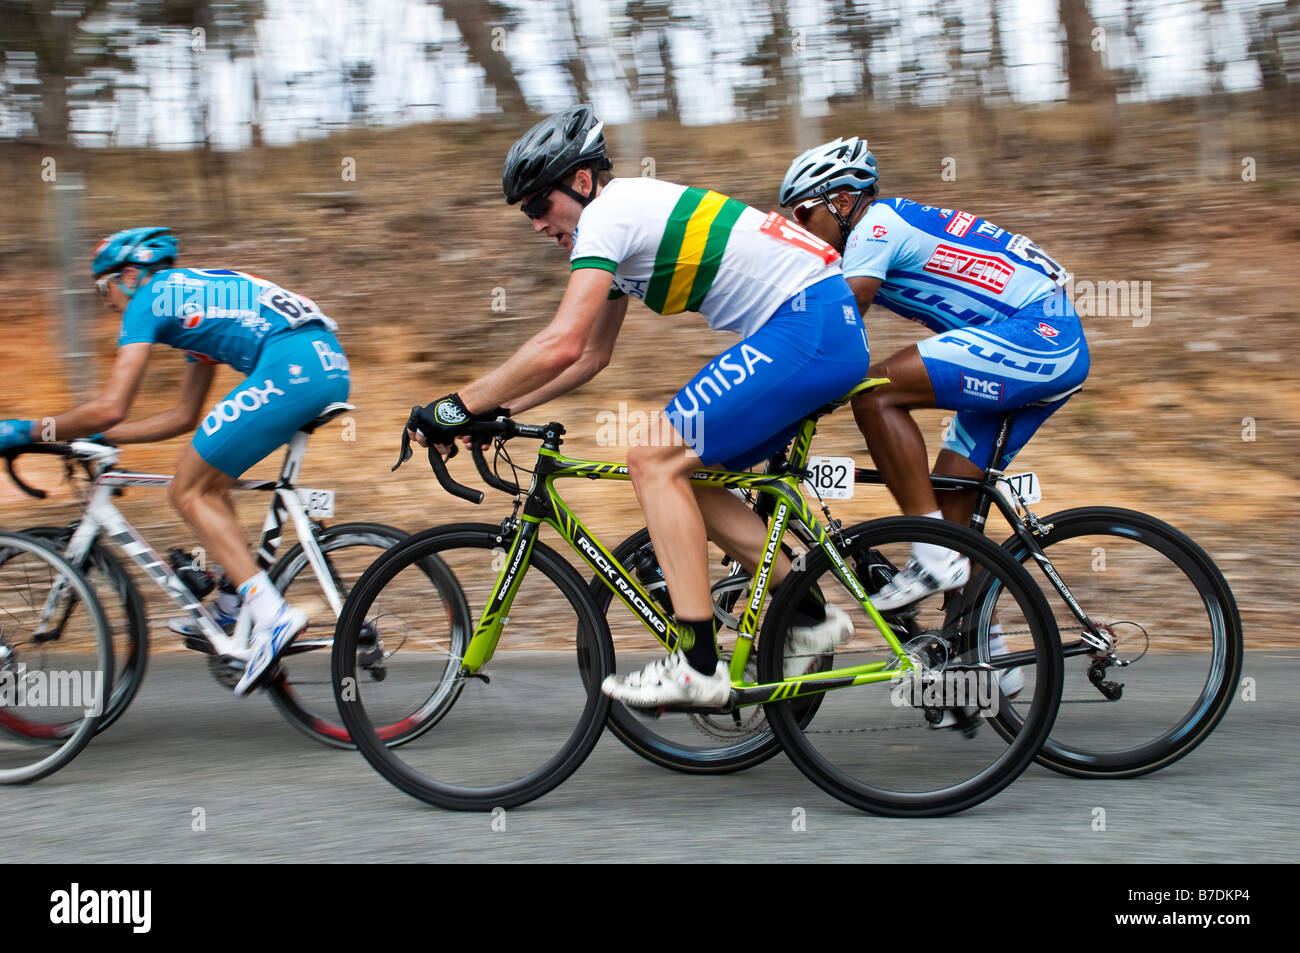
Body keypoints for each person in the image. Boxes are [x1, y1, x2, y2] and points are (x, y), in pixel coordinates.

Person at [407, 105, 871, 709]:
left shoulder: (609, 215)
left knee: (651, 456)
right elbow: (589, 358)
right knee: (685, 471)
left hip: (805, 327)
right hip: (817, 329)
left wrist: (453, 405)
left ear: (579, 183)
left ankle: (698, 666)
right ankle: (808, 614)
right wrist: (495, 411)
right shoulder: (621, 222)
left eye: (537, 207)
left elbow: (560, 340)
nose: (536, 225)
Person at [0, 227, 351, 696]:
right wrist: (103, 438)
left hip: (292, 364)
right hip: (322, 363)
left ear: (129, 275)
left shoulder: (150, 298)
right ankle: (232, 602)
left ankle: (272, 616)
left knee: (186, 489)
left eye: (103, 288)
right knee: (208, 484)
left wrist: (26, 430)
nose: (106, 303)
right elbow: (183, 416)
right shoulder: (190, 297)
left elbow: (110, 406)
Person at [779, 137, 1089, 612]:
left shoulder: (875, 226)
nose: (796, 228)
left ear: (841, 201)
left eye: (801, 215)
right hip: (1033, 341)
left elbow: (841, 321)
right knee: (950, 505)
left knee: (876, 394)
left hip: (1039, 335)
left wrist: (774, 386)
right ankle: (984, 655)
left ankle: (931, 558)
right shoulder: (873, 233)